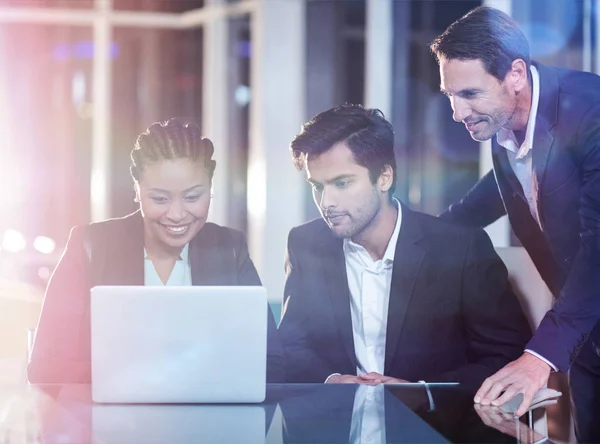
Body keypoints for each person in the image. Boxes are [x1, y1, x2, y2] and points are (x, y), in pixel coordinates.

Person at [430, 6, 600, 439]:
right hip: (587, 341)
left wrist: (538, 357)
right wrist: (412, 236)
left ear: (516, 74)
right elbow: (485, 201)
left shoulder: (591, 114)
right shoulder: (504, 124)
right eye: (450, 95)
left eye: (468, 93)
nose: (456, 112)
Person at [277, 103, 530, 394]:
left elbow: (507, 356)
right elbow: (292, 345)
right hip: (338, 425)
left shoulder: (459, 248)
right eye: (318, 186)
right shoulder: (305, 243)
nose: (326, 203)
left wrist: (421, 392)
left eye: (342, 183)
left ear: (384, 177)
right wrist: (332, 381)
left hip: (435, 428)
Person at [28, 118, 284, 384]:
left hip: (209, 421)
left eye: (193, 197)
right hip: (110, 422)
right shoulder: (90, 245)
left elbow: (271, 364)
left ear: (210, 190)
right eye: (159, 199)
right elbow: (46, 366)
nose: (176, 215)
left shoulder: (230, 249)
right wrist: (147, 377)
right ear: (137, 191)